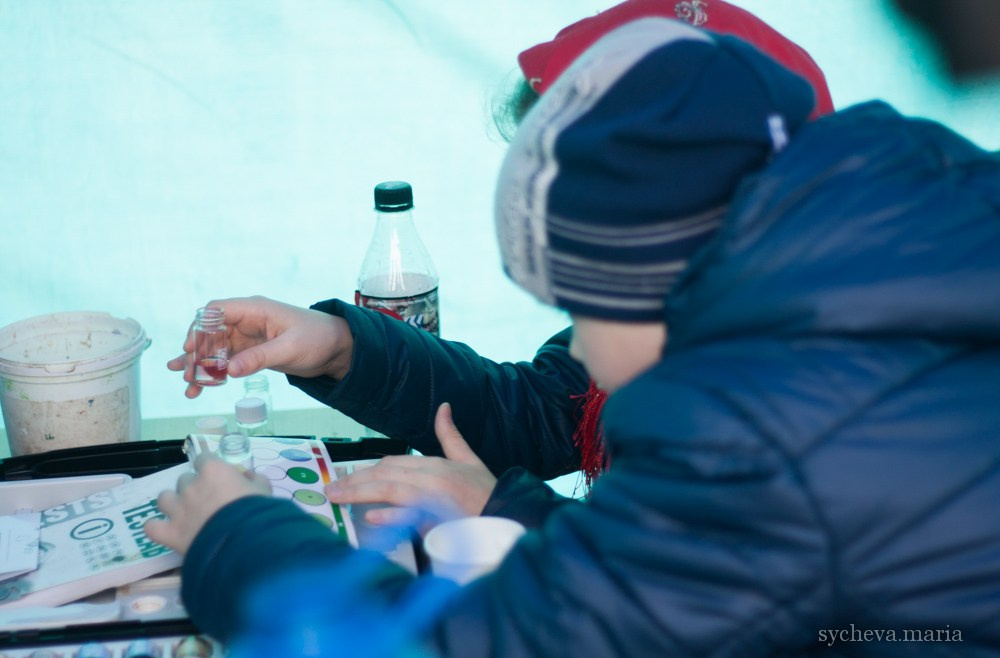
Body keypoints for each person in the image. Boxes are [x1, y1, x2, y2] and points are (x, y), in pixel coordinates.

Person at [146, 12, 1000, 658]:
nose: (581, 350)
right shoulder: (846, 297)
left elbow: (481, 649)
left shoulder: (769, 428)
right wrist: (344, 345)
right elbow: (552, 422)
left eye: (582, 309)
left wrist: (236, 535)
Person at [164, 0, 837, 532]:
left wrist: (506, 517)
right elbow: (546, 412)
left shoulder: (808, 400)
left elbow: (678, 600)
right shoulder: (696, 317)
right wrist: (342, 347)